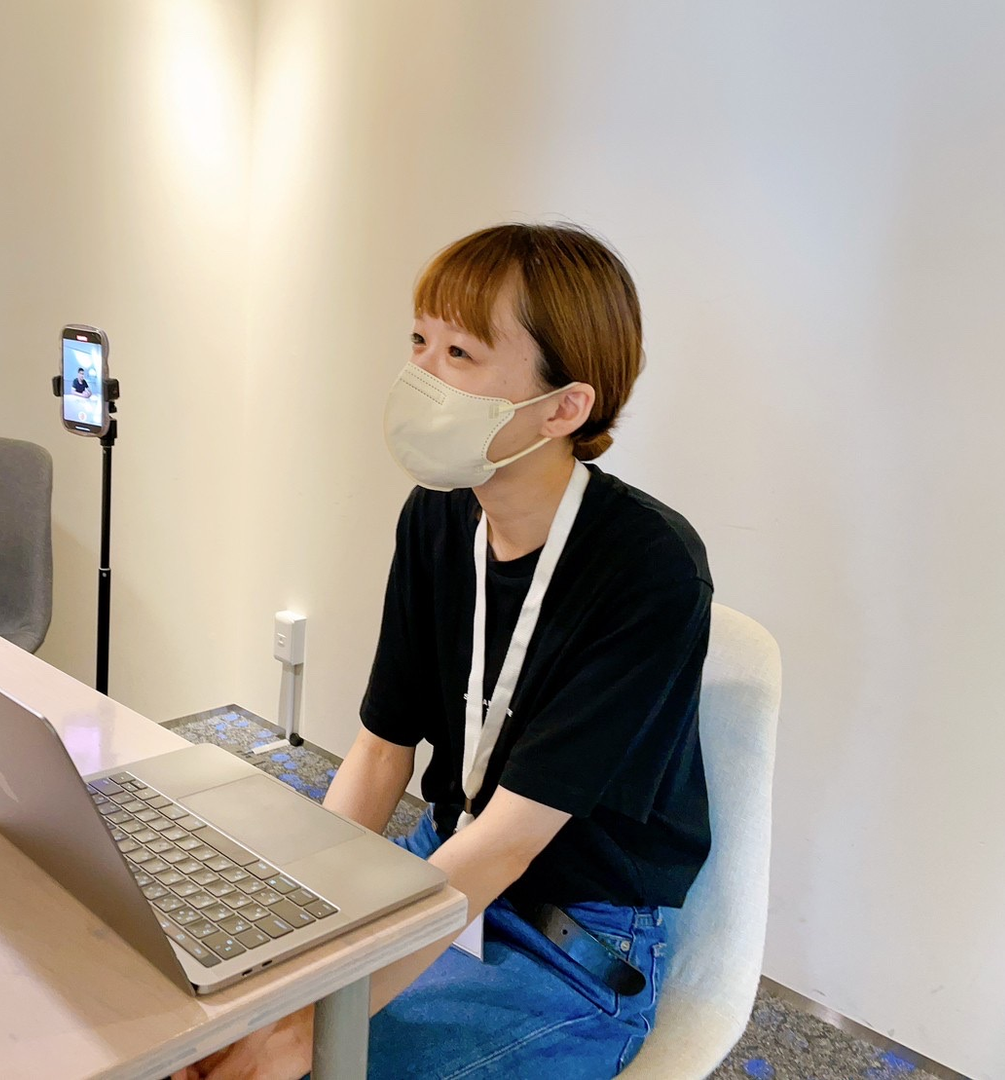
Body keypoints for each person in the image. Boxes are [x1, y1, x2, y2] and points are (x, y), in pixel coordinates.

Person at [175, 223, 713, 1080]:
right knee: (207, 1032)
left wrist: (315, 1029)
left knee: (313, 1065)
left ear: (563, 408)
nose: (420, 375)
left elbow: (509, 843)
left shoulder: (648, 568)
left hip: (569, 940)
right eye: (419, 341)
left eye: (459, 354)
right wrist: (285, 947)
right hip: (437, 862)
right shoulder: (438, 515)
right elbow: (379, 752)